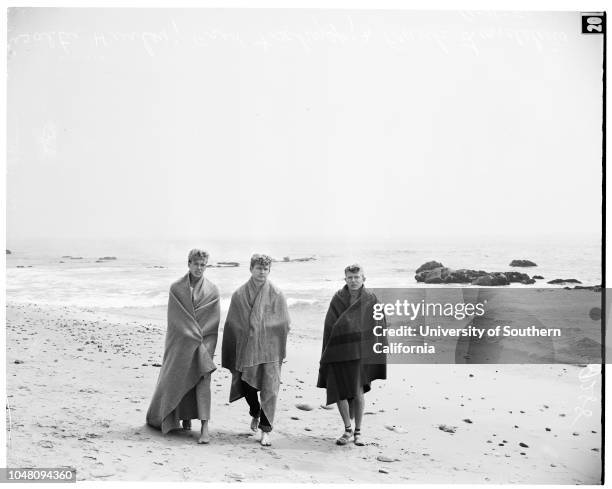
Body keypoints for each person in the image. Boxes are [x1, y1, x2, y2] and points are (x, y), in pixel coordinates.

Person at [146, 249, 220, 444]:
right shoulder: (176, 288)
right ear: (189, 264)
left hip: (204, 342)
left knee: (203, 380)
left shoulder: (212, 290)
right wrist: (190, 336)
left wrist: (200, 341)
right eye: (196, 264)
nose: (199, 268)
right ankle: (183, 417)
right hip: (181, 341)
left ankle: (204, 426)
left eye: (203, 265)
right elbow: (176, 320)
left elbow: (213, 323)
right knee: (178, 376)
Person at [221, 254, 290, 447]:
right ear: (251, 269)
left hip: (270, 349)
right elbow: (233, 323)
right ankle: (255, 411)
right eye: (258, 268)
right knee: (246, 385)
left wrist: (263, 330)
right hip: (247, 347)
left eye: (265, 269)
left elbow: (284, 322)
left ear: (269, 271)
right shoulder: (240, 294)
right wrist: (249, 332)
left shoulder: (276, 293)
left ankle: (266, 430)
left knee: (270, 388)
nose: (261, 271)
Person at [317, 264, 387, 446]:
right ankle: (347, 429)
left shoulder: (371, 298)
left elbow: (379, 325)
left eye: (357, 277)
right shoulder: (338, 298)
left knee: (357, 391)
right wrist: (327, 351)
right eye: (350, 278)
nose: (353, 281)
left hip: (360, 353)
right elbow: (330, 325)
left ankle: (358, 432)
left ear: (364, 278)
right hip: (338, 350)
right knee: (339, 390)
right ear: (345, 279)